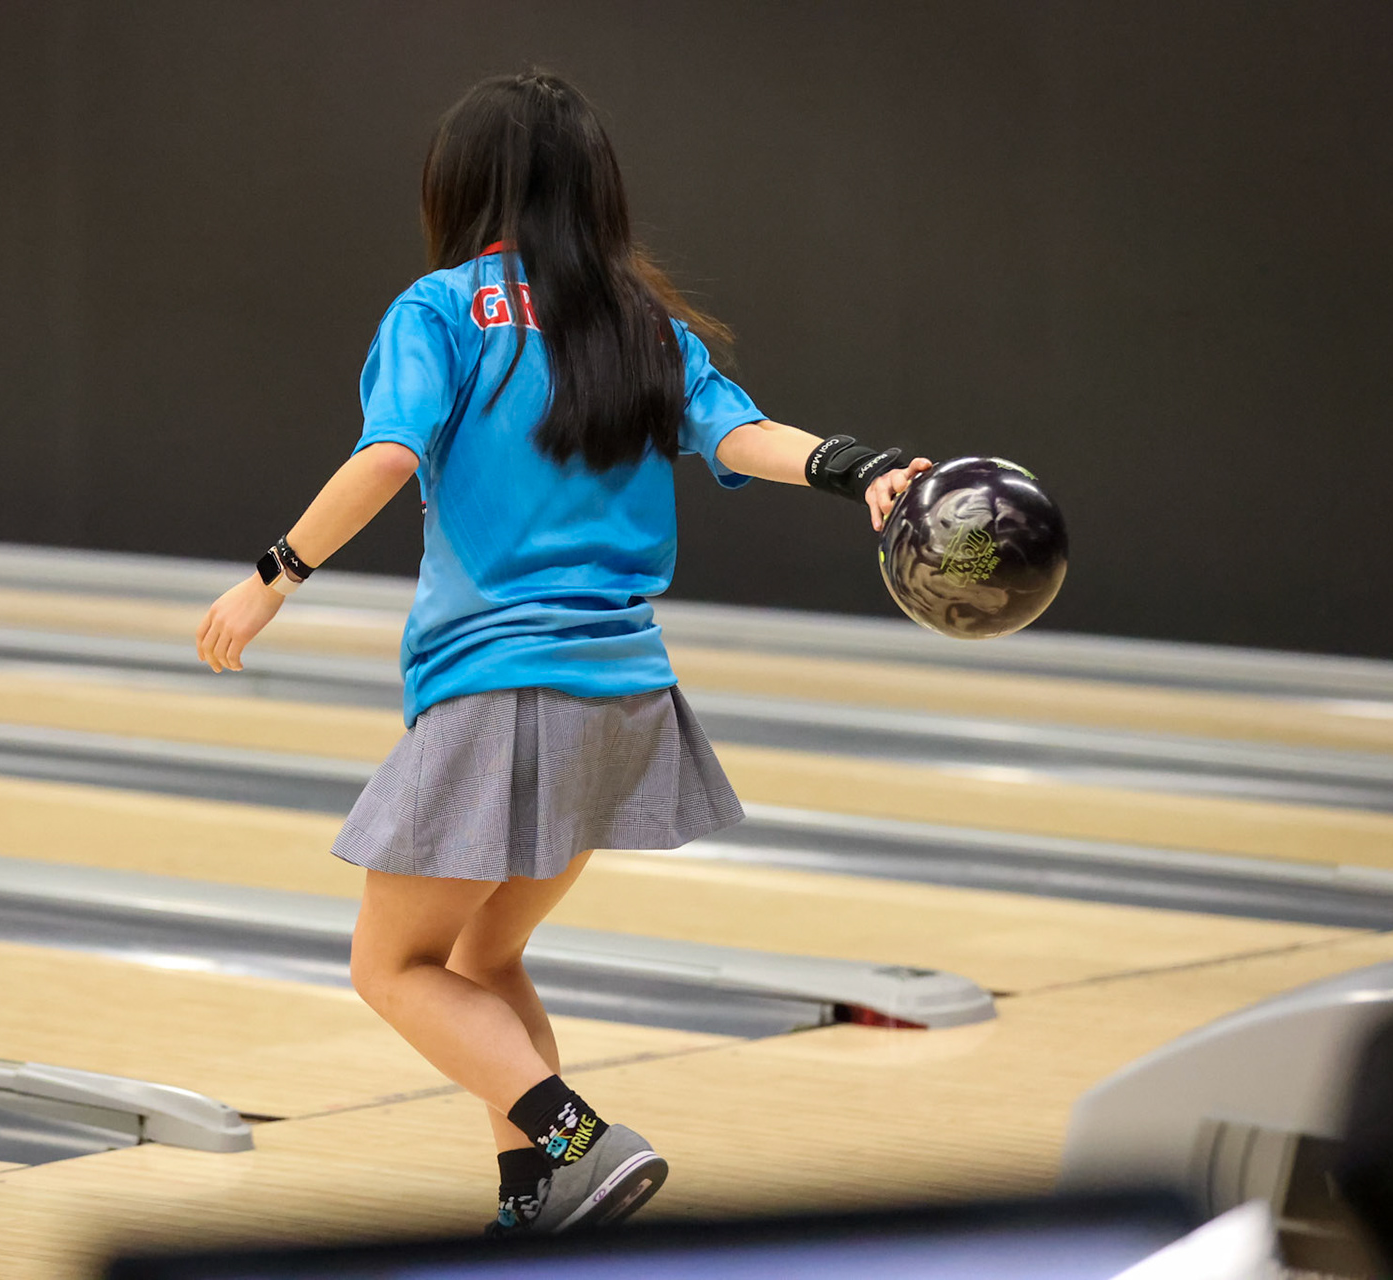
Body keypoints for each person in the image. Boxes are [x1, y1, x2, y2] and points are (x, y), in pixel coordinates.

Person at [195, 71, 931, 1236]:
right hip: (626, 700)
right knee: (485, 957)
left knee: (390, 967)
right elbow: (740, 433)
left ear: (460, 183)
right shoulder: (642, 325)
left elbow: (389, 456)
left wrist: (271, 573)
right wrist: (860, 468)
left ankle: (581, 1141)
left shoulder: (438, 311)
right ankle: (536, 1195)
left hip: (501, 693)